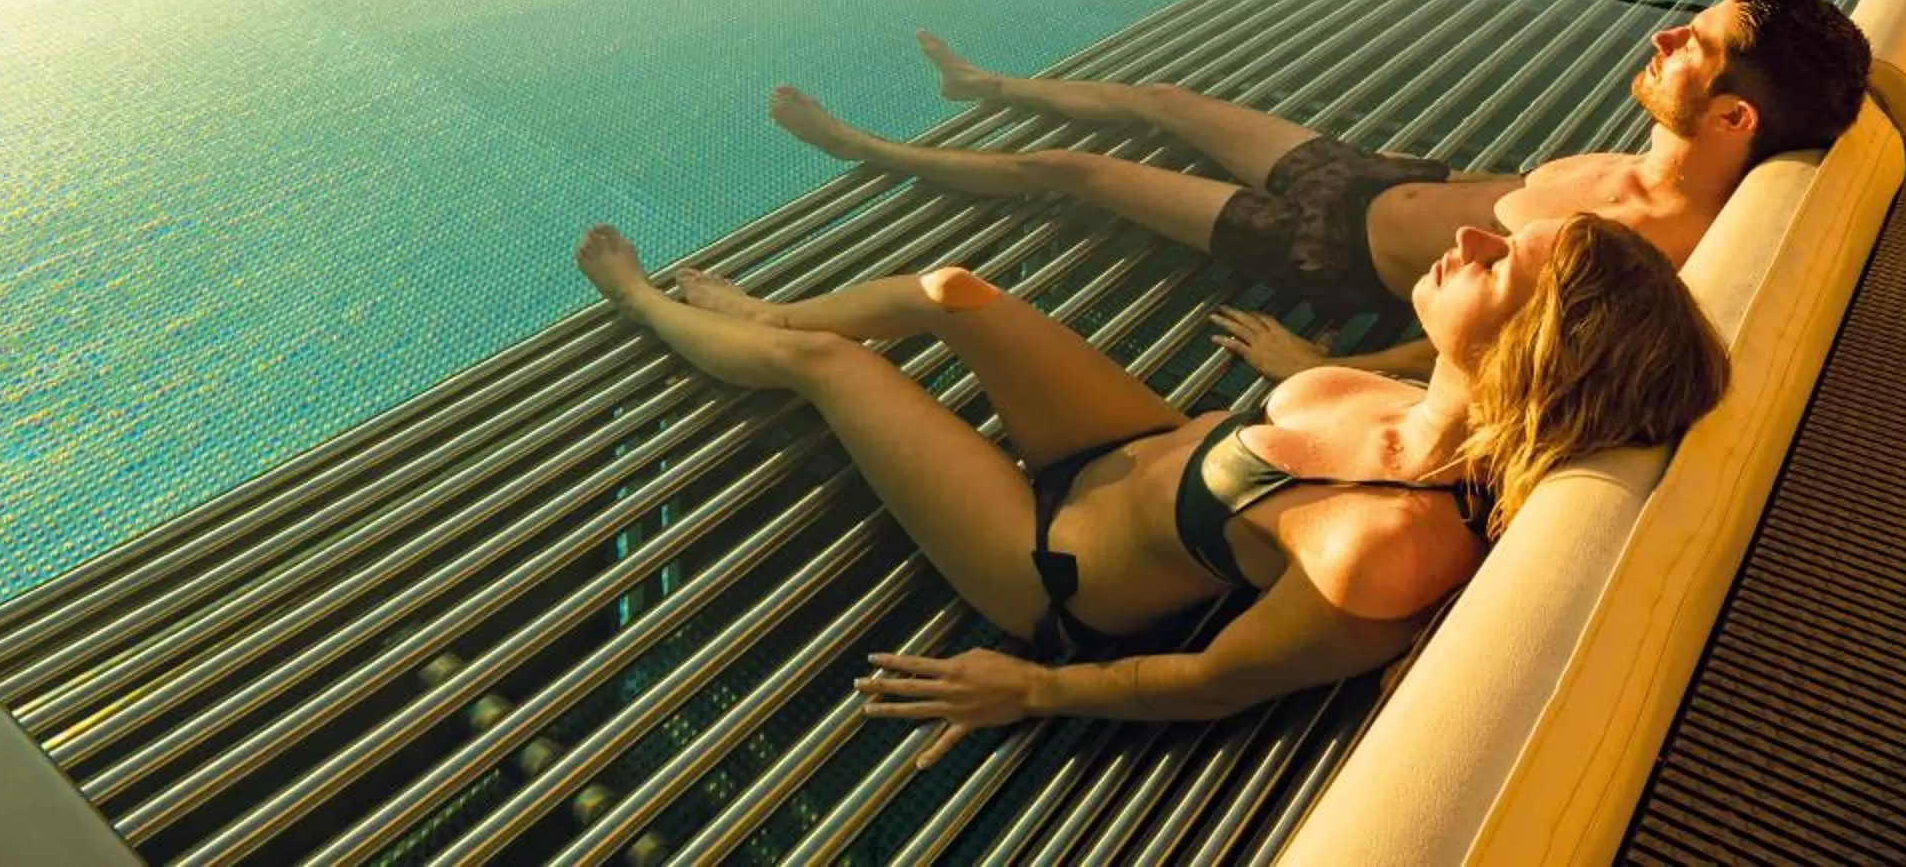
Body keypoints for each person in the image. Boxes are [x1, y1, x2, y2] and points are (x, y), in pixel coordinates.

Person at [573, 209, 1728, 761]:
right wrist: (1298, 371)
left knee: (836, 369)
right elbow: (1419, 382)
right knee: (947, 291)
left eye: (1502, 263)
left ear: (1530, 352)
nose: (1473, 234)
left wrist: (1027, 688)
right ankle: (764, 310)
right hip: (1137, 452)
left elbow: (1213, 681)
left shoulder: (1384, 550)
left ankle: (649, 308)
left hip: (1046, 562)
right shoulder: (1417, 398)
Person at [767, 0, 1869, 377]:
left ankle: (870, 149)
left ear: (1731, 116)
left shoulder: (1655, 250)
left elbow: (1491, 349)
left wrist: (1312, 365)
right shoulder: (1649, 160)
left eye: (1697, 44)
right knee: (1171, 104)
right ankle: (985, 85)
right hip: (1373, 176)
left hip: (1327, 252)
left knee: (1080, 174)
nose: (1667, 33)